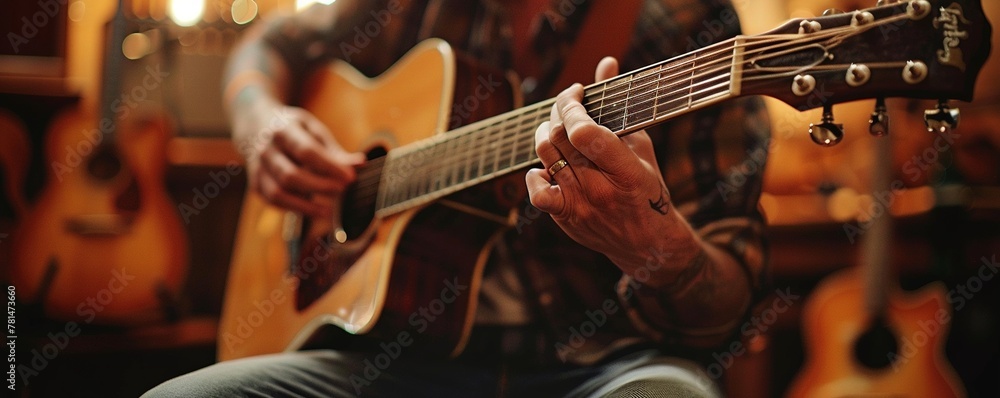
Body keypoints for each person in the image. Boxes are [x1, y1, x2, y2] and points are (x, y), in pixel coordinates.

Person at [146, 0, 770, 396]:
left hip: (601, 368)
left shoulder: (692, 22)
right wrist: (259, 122)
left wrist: (663, 254)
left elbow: (729, 295)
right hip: (385, 360)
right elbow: (270, 43)